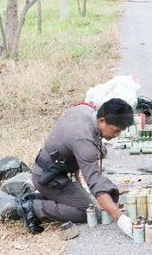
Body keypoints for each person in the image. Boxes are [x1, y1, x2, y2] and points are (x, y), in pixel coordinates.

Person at [16, 98, 135, 236]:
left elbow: (71, 149)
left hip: (52, 170)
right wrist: (119, 218)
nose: (116, 135)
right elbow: (95, 182)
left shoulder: (85, 109)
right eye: (115, 130)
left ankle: (38, 198)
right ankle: (34, 208)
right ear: (102, 120)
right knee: (86, 211)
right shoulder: (84, 141)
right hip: (48, 178)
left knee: (104, 197)